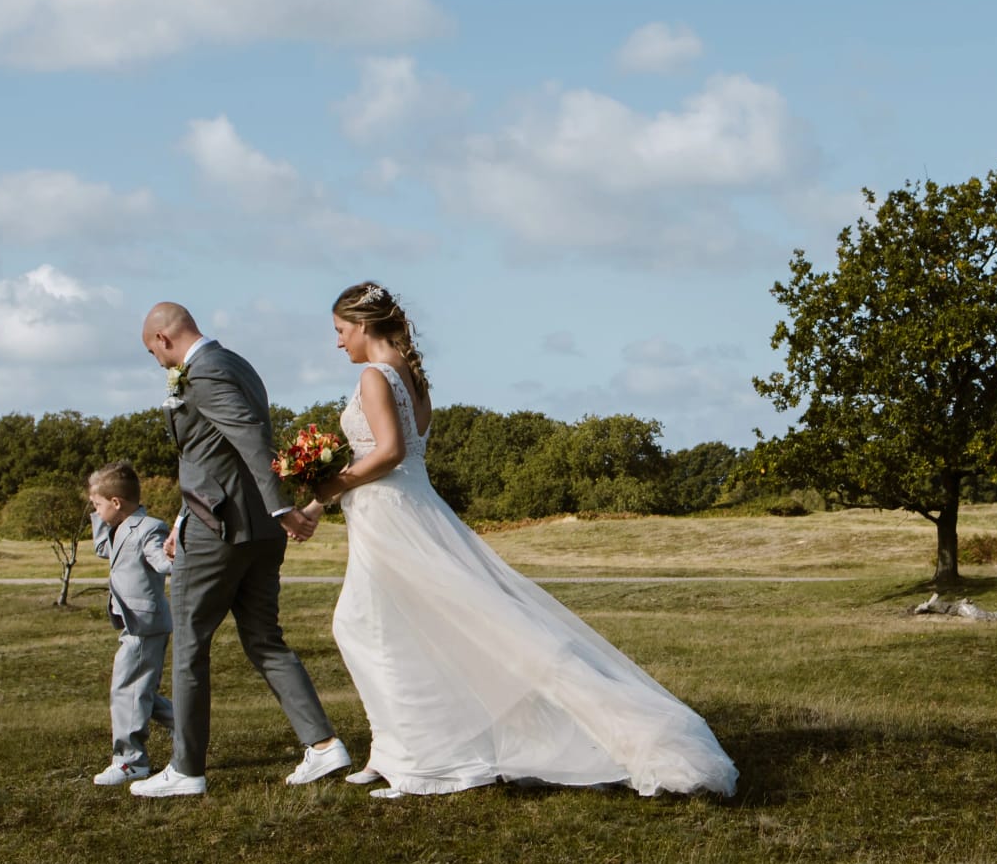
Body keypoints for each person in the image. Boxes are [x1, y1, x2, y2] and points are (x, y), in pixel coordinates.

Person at [291, 281, 736, 800]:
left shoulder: (374, 375)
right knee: (383, 628)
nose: (338, 342)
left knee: (368, 628)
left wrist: (334, 483)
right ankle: (390, 752)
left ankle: (421, 761)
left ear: (363, 326)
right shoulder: (412, 376)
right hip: (404, 509)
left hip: (393, 516)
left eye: (340, 331)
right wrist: (320, 503)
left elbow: (388, 452)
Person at [126, 301, 354, 800]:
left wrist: (280, 508)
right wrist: (185, 515)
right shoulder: (238, 364)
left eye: (153, 352)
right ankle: (323, 744)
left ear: (164, 338)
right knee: (264, 639)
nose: (159, 364)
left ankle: (186, 769)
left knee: (188, 645)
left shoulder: (204, 374)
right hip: (250, 531)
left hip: (221, 533)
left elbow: (251, 440)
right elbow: (215, 455)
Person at [86, 460, 174, 786]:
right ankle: (189, 725)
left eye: (96, 505)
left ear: (116, 503)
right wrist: (98, 509)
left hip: (144, 625)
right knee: (140, 691)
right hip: (135, 625)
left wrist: (172, 558)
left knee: (126, 690)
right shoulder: (116, 529)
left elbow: (161, 558)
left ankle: (130, 761)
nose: (92, 509)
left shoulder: (149, 528)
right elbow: (100, 548)